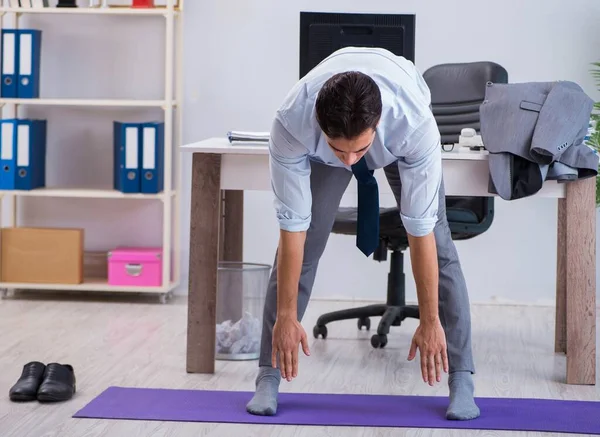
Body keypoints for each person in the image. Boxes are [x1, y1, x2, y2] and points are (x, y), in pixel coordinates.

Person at [245, 46, 480, 421]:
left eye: (360, 150)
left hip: (399, 144)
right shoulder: (292, 125)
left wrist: (430, 322)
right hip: (322, 145)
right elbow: (293, 231)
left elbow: (419, 234)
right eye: (341, 152)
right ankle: (268, 375)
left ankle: (462, 377)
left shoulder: (413, 125)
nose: (352, 162)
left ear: (378, 125)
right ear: (321, 128)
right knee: (306, 245)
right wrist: (287, 316)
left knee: (438, 240)